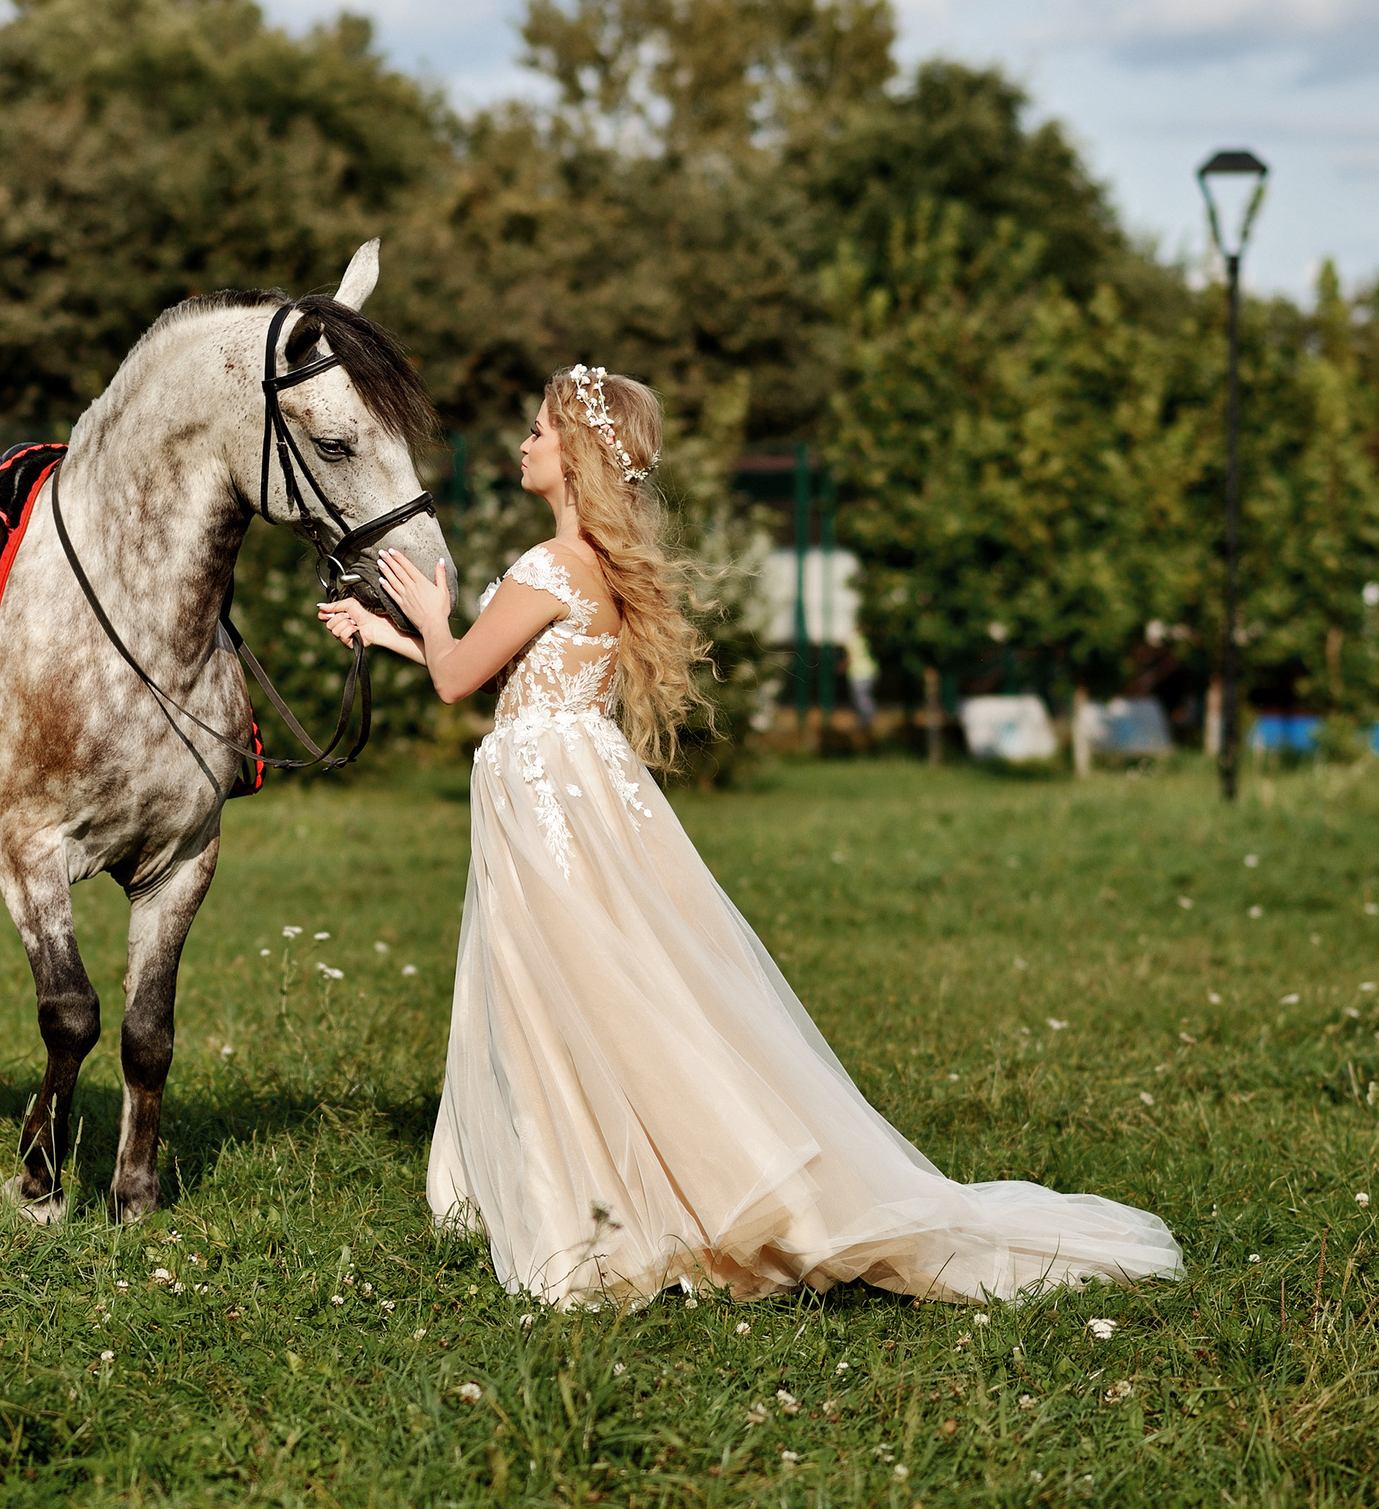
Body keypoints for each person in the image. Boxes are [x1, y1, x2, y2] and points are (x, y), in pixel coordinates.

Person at [317, 367, 1182, 1308]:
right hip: (571, 788)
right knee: (605, 986)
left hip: (549, 802)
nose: (523, 445)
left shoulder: (548, 565)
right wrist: (390, 632)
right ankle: (632, 1175)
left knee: (563, 987)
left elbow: (459, 678)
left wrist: (433, 618)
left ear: (575, 457)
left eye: (537, 431)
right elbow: (506, 673)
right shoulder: (590, 569)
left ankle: (603, 1196)